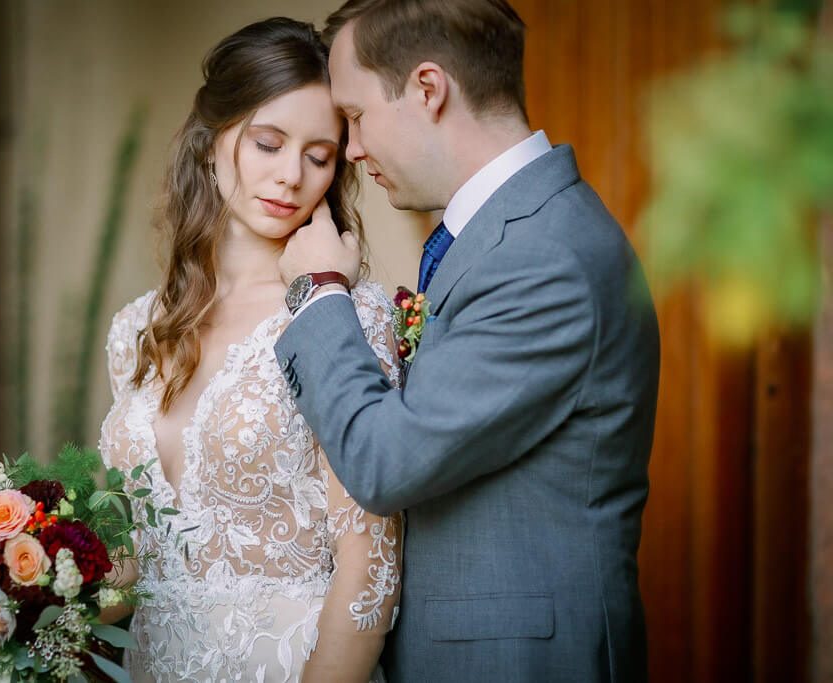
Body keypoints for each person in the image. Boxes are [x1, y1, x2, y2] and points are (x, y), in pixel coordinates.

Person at [274, 1, 661, 681]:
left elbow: (384, 461)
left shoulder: (545, 257)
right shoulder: (505, 234)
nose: (353, 150)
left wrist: (318, 291)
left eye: (357, 117)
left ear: (428, 88)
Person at [98, 17, 402, 683]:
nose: (289, 175)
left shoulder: (348, 314)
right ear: (213, 141)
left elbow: (368, 565)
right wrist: (25, 588)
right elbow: (140, 560)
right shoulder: (137, 330)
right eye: (268, 143)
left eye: (319, 156)